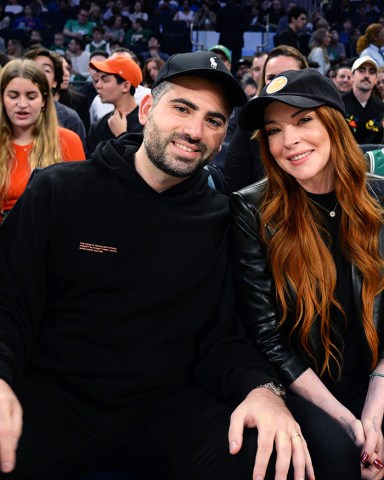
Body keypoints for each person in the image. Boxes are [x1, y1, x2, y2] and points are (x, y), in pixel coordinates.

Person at [0, 50, 320, 480]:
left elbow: (223, 339)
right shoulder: (59, 192)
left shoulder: (221, 220)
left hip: (167, 408)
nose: (194, 130)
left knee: (280, 462)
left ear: (223, 136)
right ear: (148, 108)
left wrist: (264, 392)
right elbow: (9, 304)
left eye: (213, 120)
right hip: (54, 399)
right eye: (182, 108)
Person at [231, 67, 384, 480]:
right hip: (307, 387)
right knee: (338, 459)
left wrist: (373, 411)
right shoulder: (252, 211)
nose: (289, 140)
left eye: (303, 121)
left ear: (332, 122)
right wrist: (349, 422)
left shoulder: (381, 196)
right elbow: (267, 337)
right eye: (274, 130)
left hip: (377, 380)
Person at [0, 58, 85, 223]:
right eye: (13, 96)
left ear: (44, 100)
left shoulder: (69, 141)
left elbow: (79, 204)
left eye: (31, 97)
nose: (22, 104)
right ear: (2, 99)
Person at [224, 45, 308, 194]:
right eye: (271, 78)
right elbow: (234, 187)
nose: (280, 84)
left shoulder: (324, 121)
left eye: (289, 75)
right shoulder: (249, 127)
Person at [86, 54, 143, 154]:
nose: (98, 85)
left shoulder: (148, 125)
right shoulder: (97, 127)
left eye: (105, 80)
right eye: (99, 80)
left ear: (125, 86)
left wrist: (121, 135)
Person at [343, 55, 384, 145]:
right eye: (361, 71)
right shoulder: (339, 104)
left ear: (376, 79)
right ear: (352, 76)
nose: (366, 75)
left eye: (372, 72)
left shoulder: (382, 108)